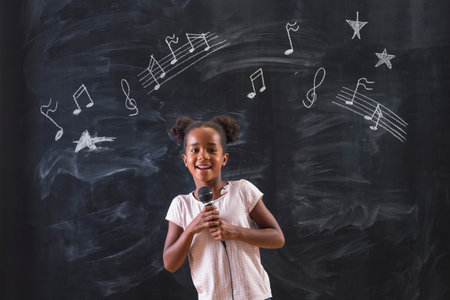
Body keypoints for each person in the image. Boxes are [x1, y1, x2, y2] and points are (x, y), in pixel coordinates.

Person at [163, 115, 285, 300]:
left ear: (224, 158)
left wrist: (236, 232)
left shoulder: (243, 191)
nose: (203, 156)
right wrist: (190, 231)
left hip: (255, 296)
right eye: (195, 150)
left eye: (211, 150)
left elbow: (277, 238)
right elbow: (170, 264)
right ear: (186, 159)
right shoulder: (181, 205)